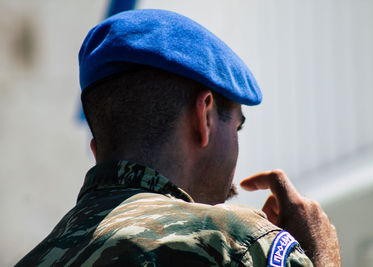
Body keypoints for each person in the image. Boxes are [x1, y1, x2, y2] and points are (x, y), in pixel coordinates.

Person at [16, 9, 340, 266]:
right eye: (237, 127)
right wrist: (318, 252)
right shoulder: (235, 243)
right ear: (205, 116)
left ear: (97, 149)